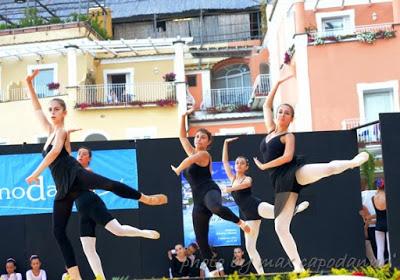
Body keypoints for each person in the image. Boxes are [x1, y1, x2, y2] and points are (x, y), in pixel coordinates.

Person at [25, 69, 167, 280]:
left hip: (75, 175)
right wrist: (29, 84)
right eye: (51, 109)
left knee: (108, 184)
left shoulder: (61, 132)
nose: (52, 112)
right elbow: (37, 109)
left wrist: (35, 173)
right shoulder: (49, 131)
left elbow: (55, 153)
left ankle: (144, 198)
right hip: (63, 187)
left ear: (64, 113)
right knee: (58, 231)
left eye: (56, 109)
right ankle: (76, 276)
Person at [254, 72, 369, 272]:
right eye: (280, 111)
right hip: (281, 184)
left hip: (293, 172)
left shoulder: (288, 135)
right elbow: (266, 105)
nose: (282, 114)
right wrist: (278, 83)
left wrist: (265, 166)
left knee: (326, 169)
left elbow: (287, 158)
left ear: (291, 119)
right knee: (280, 228)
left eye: (286, 113)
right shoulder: (270, 130)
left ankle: (352, 162)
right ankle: (298, 266)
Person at [171, 108, 250, 271]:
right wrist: (182, 116)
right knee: (201, 242)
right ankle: (214, 272)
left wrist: (179, 169)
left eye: (203, 137)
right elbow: (181, 137)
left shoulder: (204, 155)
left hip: (209, 191)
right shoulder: (192, 151)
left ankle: (240, 222)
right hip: (198, 201)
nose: (199, 139)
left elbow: (191, 158)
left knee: (215, 207)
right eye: (197, 136)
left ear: (208, 143)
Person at [222, 137, 309, 274]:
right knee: (250, 247)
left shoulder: (247, 178)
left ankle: (295, 209)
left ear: (246, 167)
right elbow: (225, 162)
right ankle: (261, 275)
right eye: (237, 163)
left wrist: (230, 189)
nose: (238, 165)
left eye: (241, 163)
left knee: (278, 213)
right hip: (249, 216)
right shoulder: (232, 178)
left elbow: (246, 185)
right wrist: (225, 143)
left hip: (257, 206)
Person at [372, 178, 390, 267]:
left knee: (380, 248)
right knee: (390, 248)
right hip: (388, 223)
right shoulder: (387, 196)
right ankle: (392, 267)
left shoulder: (373, 197)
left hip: (378, 225)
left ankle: (380, 269)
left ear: (377, 186)